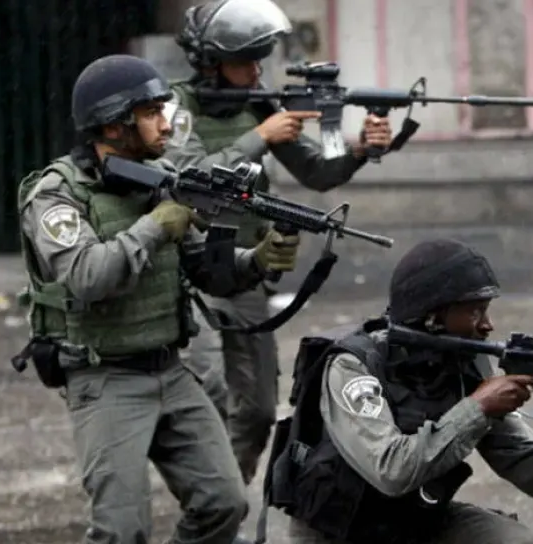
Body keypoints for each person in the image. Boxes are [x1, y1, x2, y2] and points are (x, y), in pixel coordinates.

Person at [15, 53, 303, 544]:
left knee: (223, 504)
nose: (166, 124)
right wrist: (154, 227)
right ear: (113, 125)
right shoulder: (57, 193)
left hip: (170, 370)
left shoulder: (162, 176)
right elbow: (86, 277)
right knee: (122, 530)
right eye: (150, 113)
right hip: (105, 377)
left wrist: (257, 260)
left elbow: (206, 271)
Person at [266, 238, 533, 544]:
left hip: (412, 523)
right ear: (433, 315)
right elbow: (391, 470)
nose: (487, 326)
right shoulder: (354, 366)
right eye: (474, 311)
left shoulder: (464, 366)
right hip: (340, 534)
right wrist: (477, 408)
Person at [166, 0, 396, 487]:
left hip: (245, 270)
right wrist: (259, 136)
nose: (256, 72)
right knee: (208, 393)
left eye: (259, 60)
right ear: (210, 62)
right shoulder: (175, 108)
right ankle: (209, 506)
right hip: (190, 273)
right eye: (244, 61)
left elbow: (317, 171)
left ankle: (222, 504)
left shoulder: (258, 105)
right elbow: (189, 177)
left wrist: (360, 147)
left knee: (256, 412)